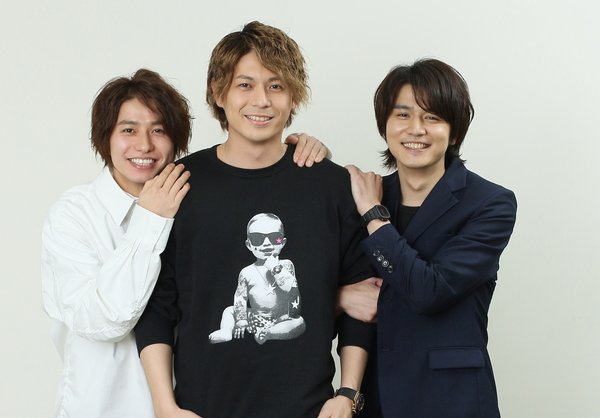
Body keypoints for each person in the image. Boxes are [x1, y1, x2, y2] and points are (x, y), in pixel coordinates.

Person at [41, 69, 329, 418]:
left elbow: (220, 287)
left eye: (159, 130)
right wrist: (150, 218)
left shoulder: (194, 198)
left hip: (189, 406)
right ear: (105, 137)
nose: (144, 145)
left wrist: (302, 158)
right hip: (105, 408)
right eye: (128, 130)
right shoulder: (74, 214)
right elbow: (104, 320)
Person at [135, 21, 373, 418]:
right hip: (201, 409)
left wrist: (347, 394)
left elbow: (361, 302)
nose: (261, 100)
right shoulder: (179, 185)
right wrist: (164, 406)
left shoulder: (331, 187)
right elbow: (157, 307)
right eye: (245, 85)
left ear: (293, 97)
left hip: (308, 409)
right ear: (218, 92)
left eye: (276, 85)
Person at [337, 59, 517, 418]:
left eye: (432, 117)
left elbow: (430, 290)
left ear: (454, 131)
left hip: (453, 401)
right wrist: (338, 296)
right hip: (375, 399)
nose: (415, 129)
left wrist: (373, 215)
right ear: (385, 125)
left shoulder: (490, 203)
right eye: (403, 115)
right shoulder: (366, 195)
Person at [209, 213, 305, 345]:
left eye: (274, 238)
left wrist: (275, 268)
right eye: (257, 239)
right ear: (248, 245)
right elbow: (240, 297)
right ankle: (225, 331)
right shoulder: (246, 272)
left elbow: (290, 288)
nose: (266, 244)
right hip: (256, 319)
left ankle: (269, 333)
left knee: (299, 322)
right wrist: (241, 320)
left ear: (282, 242)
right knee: (229, 310)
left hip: (282, 320)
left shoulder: (286, 265)